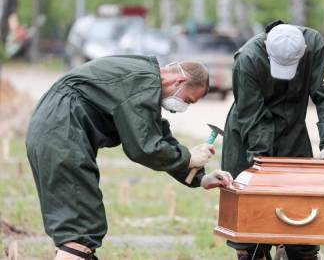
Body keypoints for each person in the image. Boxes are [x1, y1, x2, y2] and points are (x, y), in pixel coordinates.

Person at [26, 55, 233, 260]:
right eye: (187, 100)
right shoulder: (143, 84)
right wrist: (188, 157)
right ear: (180, 81)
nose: (183, 107)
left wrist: (201, 178)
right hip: (61, 132)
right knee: (80, 229)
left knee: (78, 227)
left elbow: (155, 135)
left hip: (56, 128)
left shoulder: (143, 81)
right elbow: (145, 147)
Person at [221, 20, 324, 260]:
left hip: (293, 132)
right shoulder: (247, 58)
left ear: (302, 54)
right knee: (250, 225)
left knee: (301, 214)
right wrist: (262, 166)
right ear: (268, 52)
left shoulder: (314, 45)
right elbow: (253, 115)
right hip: (247, 136)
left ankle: (297, 252)